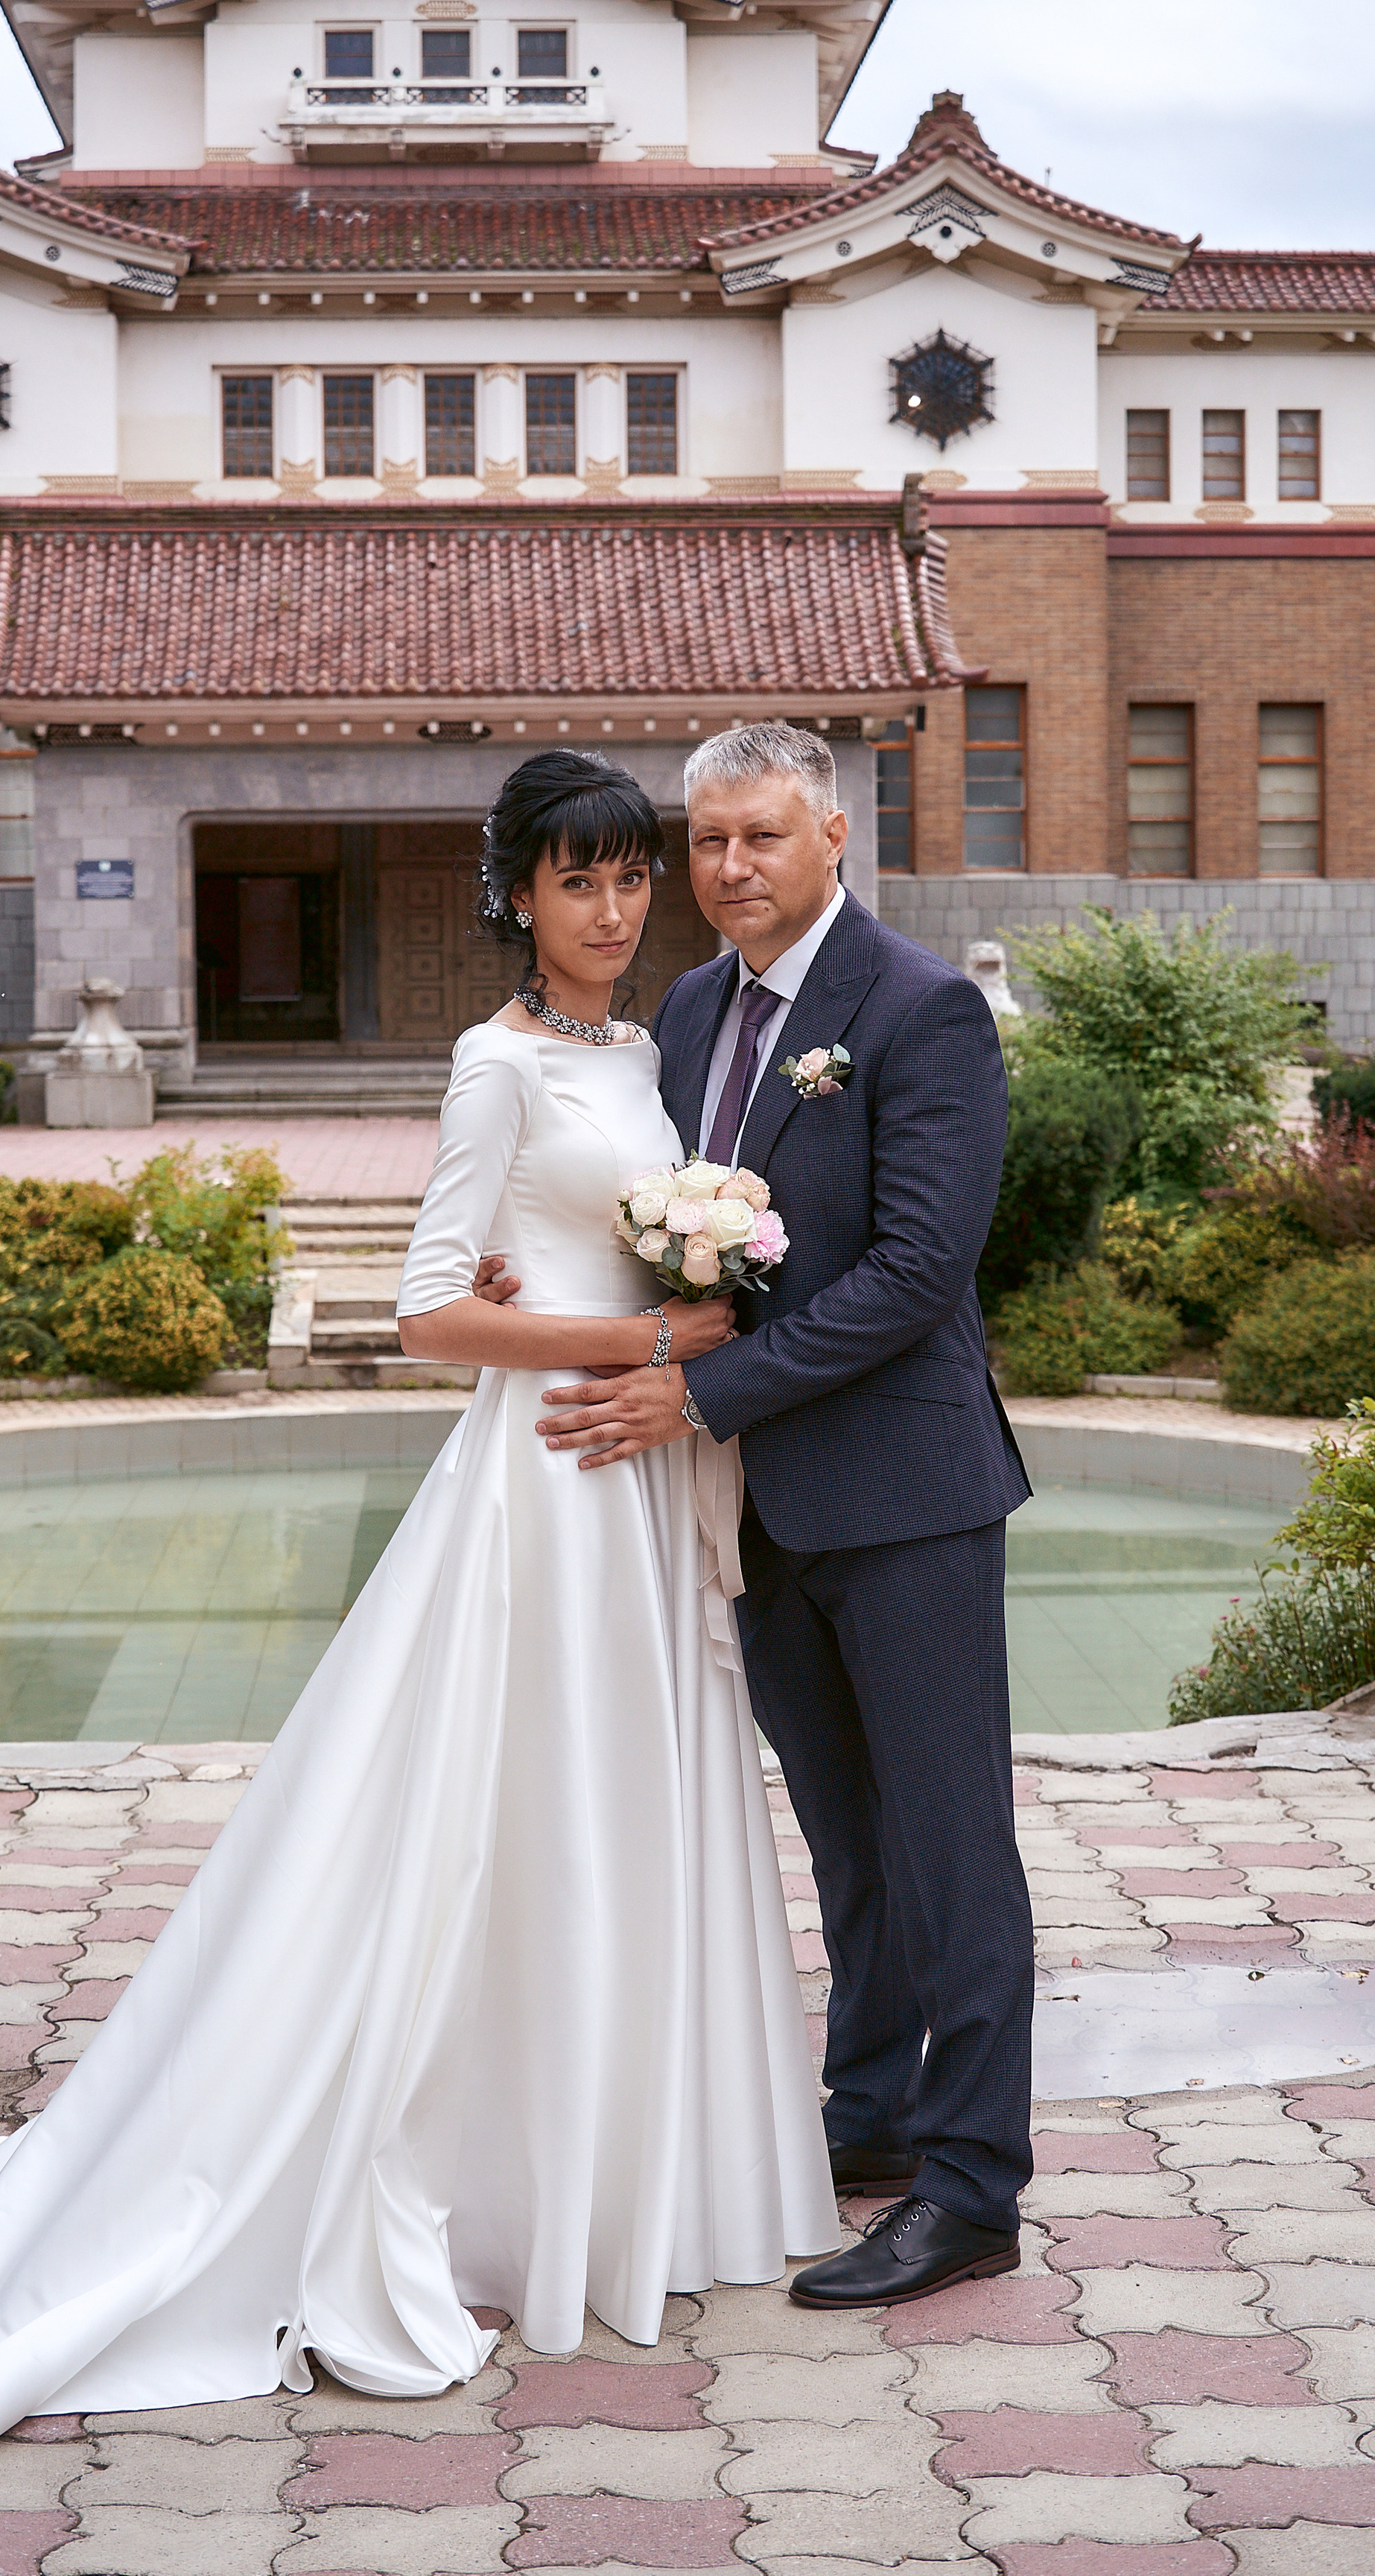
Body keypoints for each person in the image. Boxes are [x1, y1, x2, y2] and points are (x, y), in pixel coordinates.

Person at [0, 750, 836, 2464]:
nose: (612, 905)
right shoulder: (492, 1063)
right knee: (513, 1807)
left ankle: (604, 2168)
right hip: (549, 1474)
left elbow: (571, 1256)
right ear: (512, 895)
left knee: (616, 1809)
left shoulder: (641, 1054)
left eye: (627, 874)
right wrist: (647, 1336)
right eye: (575, 880)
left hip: (636, 1478)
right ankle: (441, 2173)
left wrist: (667, 1290)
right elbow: (432, 1311)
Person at [514, 723, 1035, 2310]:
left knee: (951, 1852)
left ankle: (971, 2186)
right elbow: (660, 1235)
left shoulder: (919, 1007)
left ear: (828, 836)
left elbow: (911, 1275)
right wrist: (527, 1295)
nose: (726, 869)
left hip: (900, 1491)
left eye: (758, 837)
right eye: (706, 843)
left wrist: (700, 1398)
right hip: (757, 1508)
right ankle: (867, 2120)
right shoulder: (682, 1008)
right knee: (846, 1842)